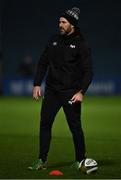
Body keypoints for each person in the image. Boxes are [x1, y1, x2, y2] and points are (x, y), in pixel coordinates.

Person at [28, 7, 93, 171]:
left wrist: (81, 92)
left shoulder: (81, 44)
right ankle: (41, 160)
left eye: (63, 22)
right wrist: (37, 83)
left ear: (72, 24)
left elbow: (88, 71)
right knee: (45, 124)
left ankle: (80, 161)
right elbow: (43, 62)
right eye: (59, 22)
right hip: (51, 92)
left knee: (75, 127)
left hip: (71, 93)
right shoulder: (53, 40)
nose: (60, 25)